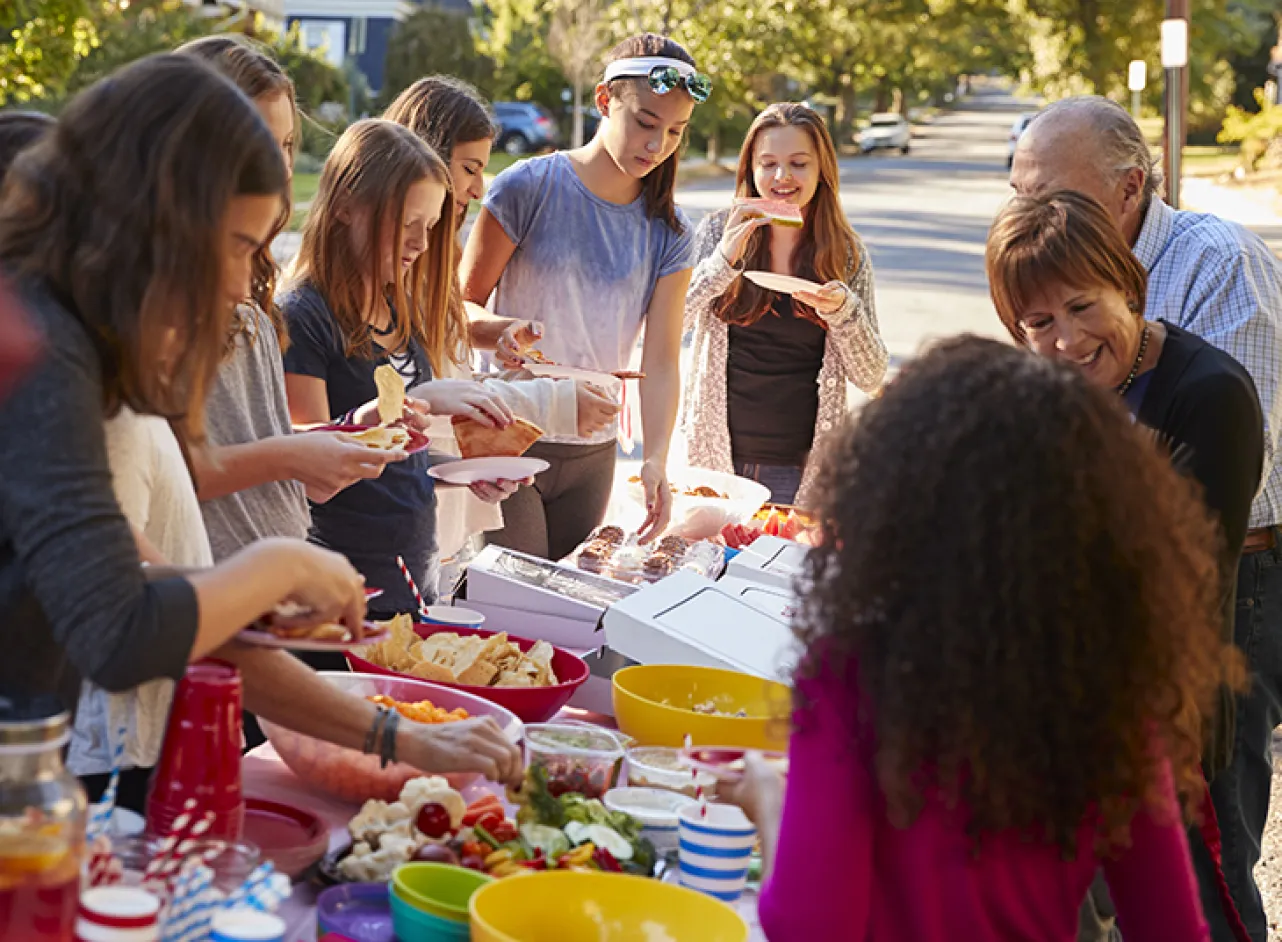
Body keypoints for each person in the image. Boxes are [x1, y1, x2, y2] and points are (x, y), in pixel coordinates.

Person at [724, 335, 1243, 942]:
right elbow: (1173, 928)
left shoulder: (852, 672)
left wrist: (769, 801)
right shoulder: (1112, 695)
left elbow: (810, 925)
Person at [0, 54, 368, 712]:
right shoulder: (48, 350)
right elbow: (116, 629)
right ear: (163, 218)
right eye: (236, 245)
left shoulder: (75, 339)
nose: (240, 283)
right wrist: (279, 567)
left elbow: (124, 574)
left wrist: (251, 595)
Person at [1010, 96, 1282, 942]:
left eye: (1052, 193)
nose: (1064, 336)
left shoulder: (1217, 266)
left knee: (1204, 864)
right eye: (1020, 193)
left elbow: (1234, 456)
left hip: (1228, 582)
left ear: (1129, 188)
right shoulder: (1053, 281)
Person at [460, 33, 706, 558]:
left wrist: (656, 459)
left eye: (675, 131)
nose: (657, 145)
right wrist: (498, 332)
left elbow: (662, 361)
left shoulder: (672, 232)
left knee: (568, 600)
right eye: (645, 122)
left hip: (594, 453)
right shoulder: (527, 187)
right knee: (512, 596)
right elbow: (456, 307)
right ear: (604, 100)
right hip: (509, 432)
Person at [382, 76, 621, 584]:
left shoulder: (436, 255)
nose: (477, 189)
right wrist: (551, 404)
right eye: (469, 169)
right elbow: (404, 402)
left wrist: (497, 335)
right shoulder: (390, 268)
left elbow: (445, 364)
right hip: (391, 534)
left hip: (432, 525)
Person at [175, 35, 403, 563]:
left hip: (272, 581)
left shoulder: (246, 277)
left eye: (286, 145)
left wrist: (346, 432)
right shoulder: (157, 299)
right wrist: (291, 455)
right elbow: (167, 469)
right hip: (210, 586)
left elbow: (255, 438)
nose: (280, 169)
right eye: (260, 146)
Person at [281, 118, 516, 615]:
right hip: (340, 593)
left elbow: (397, 460)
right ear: (345, 206)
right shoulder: (304, 316)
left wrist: (463, 473)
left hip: (411, 579)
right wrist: (420, 401)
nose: (421, 244)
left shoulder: (395, 306)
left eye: (429, 227)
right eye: (407, 224)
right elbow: (308, 469)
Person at [681, 102, 887, 506]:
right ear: (750, 168)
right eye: (768, 163)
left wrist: (843, 312)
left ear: (822, 169)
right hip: (714, 459)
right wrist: (722, 263)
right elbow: (672, 324)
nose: (782, 177)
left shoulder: (846, 253)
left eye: (798, 163)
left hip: (800, 469)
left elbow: (872, 376)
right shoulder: (718, 232)